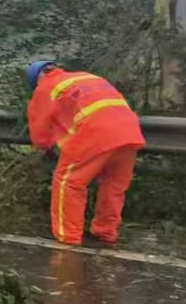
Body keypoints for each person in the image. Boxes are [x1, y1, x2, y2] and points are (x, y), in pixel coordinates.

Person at [25, 60, 145, 247]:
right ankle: (105, 232)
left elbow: (40, 131)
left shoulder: (45, 87)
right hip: (129, 132)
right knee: (113, 186)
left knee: (68, 182)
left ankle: (68, 236)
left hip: (95, 132)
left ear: (37, 80)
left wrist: (44, 146)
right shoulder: (87, 77)